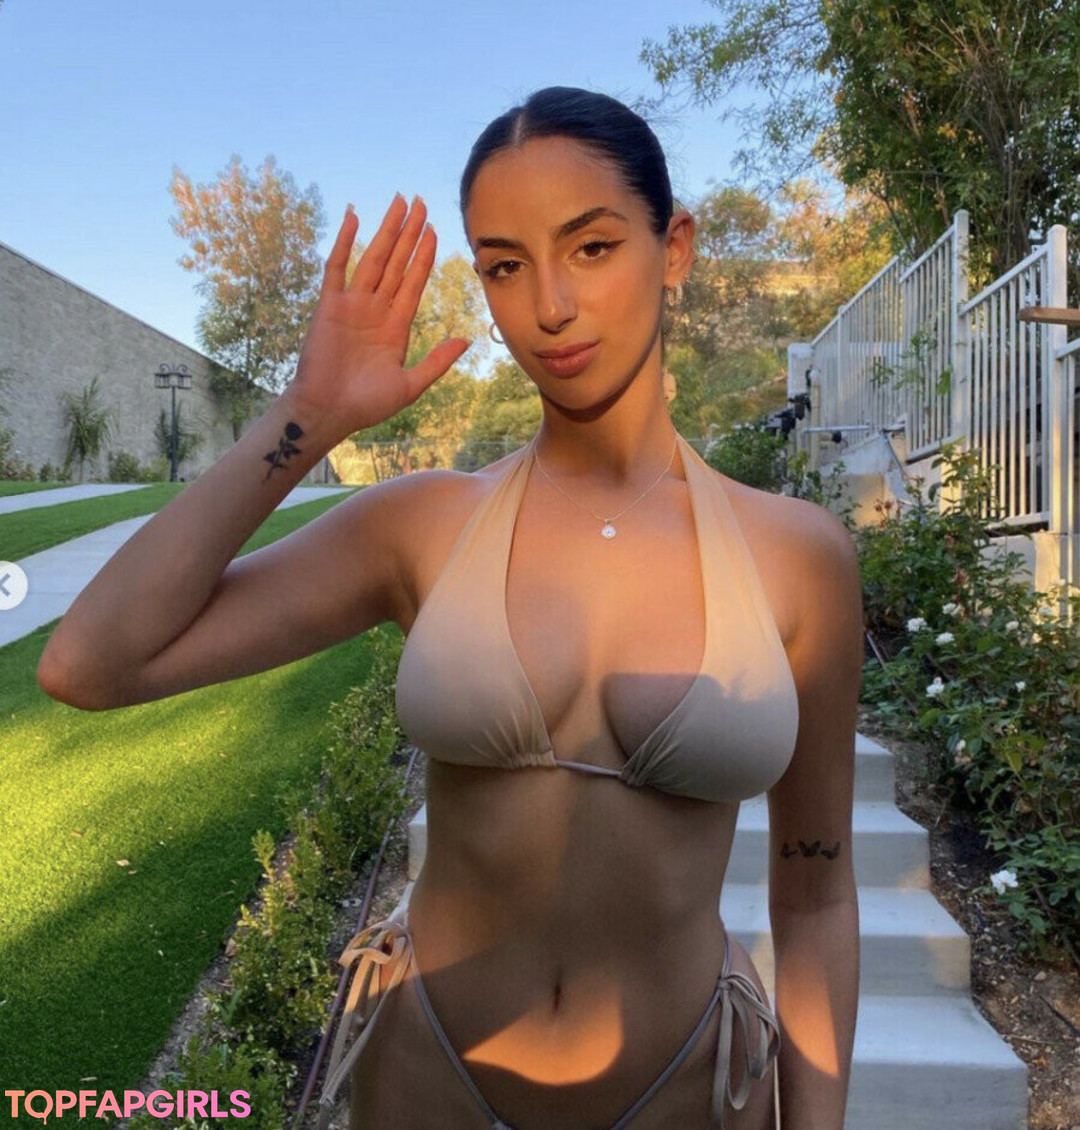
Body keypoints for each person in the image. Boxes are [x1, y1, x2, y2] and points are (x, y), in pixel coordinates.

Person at [37, 86, 862, 1130]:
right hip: (429, 1079)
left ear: (676, 248)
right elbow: (91, 663)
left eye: (592, 247)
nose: (549, 305)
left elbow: (816, 893)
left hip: (689, 1090)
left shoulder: (795, 558)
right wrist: (309, 414)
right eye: (505, 266)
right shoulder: (424, 526)